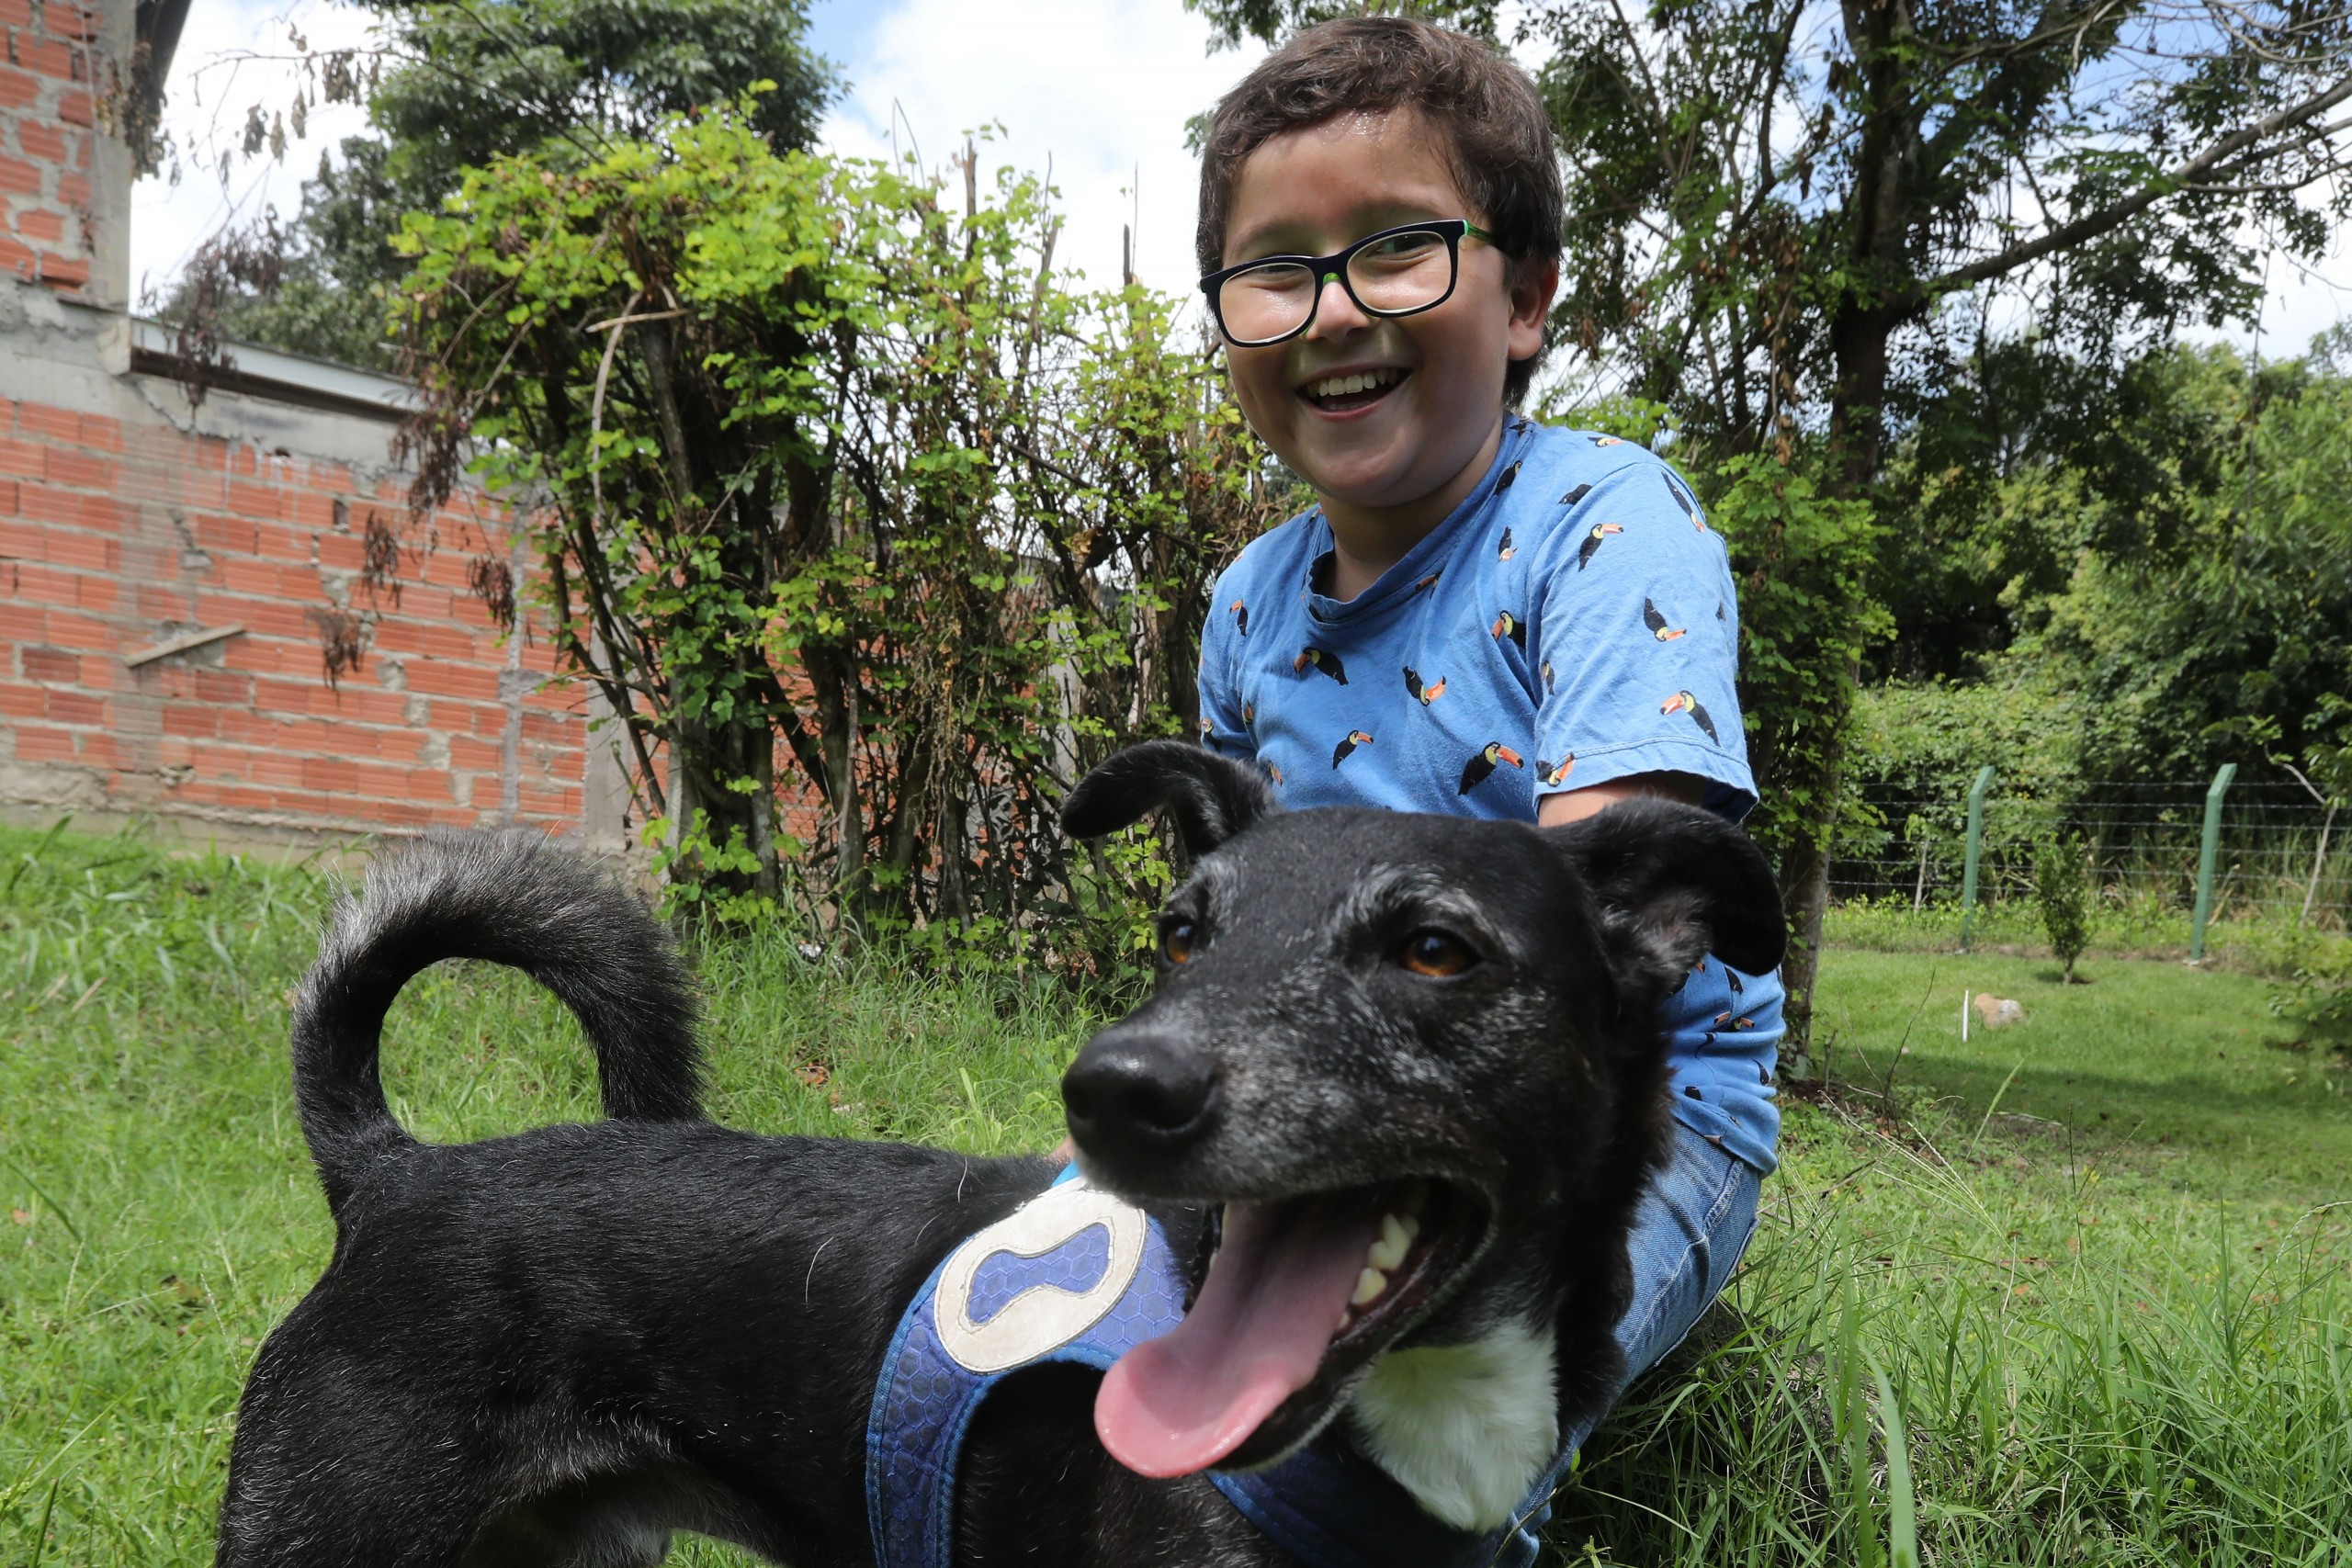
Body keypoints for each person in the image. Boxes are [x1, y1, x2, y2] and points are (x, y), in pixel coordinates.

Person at [1182, 17, 1785, 1565]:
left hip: (1608, 1129)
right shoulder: (1249, 606)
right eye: (1275, 268)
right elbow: (1236, 924)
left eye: (1397, 251)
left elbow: (1597, 950)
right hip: (1326, 1092)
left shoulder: (1605, 529)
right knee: (1103, 1375)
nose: (1331, 309)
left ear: (1524, 299)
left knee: (1380, 1491)